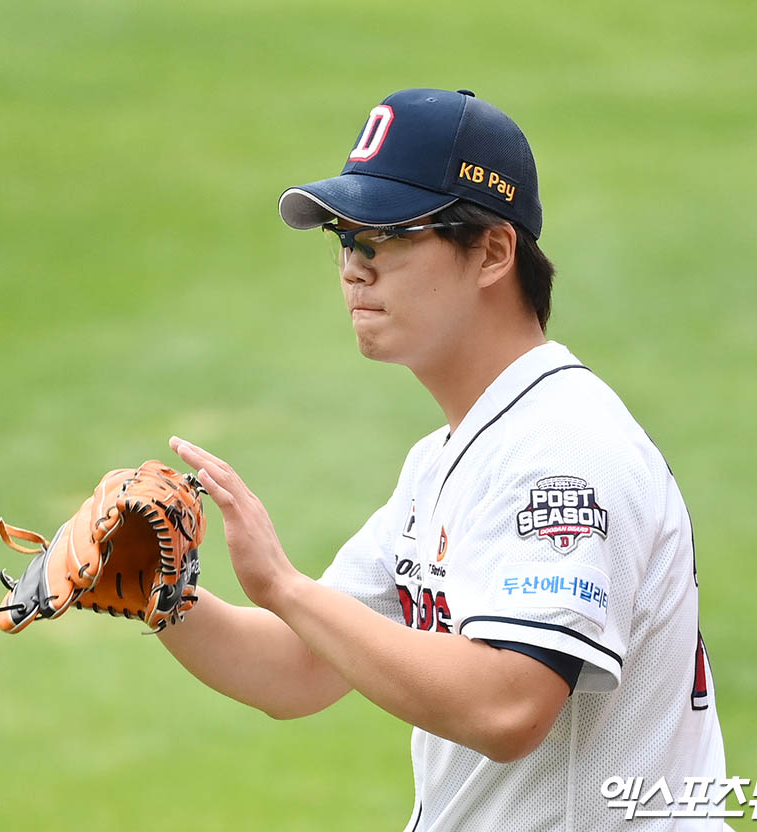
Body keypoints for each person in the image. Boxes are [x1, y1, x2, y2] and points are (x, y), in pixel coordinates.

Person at [163, 87, 728, 831]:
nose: (353, 267)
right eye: (343, 237)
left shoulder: (563, 451)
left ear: (493, 250)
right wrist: (160, 590)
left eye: (386, 236)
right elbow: (299, 670)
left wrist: (283, 586)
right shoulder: (448, 459)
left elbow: (509, 704)